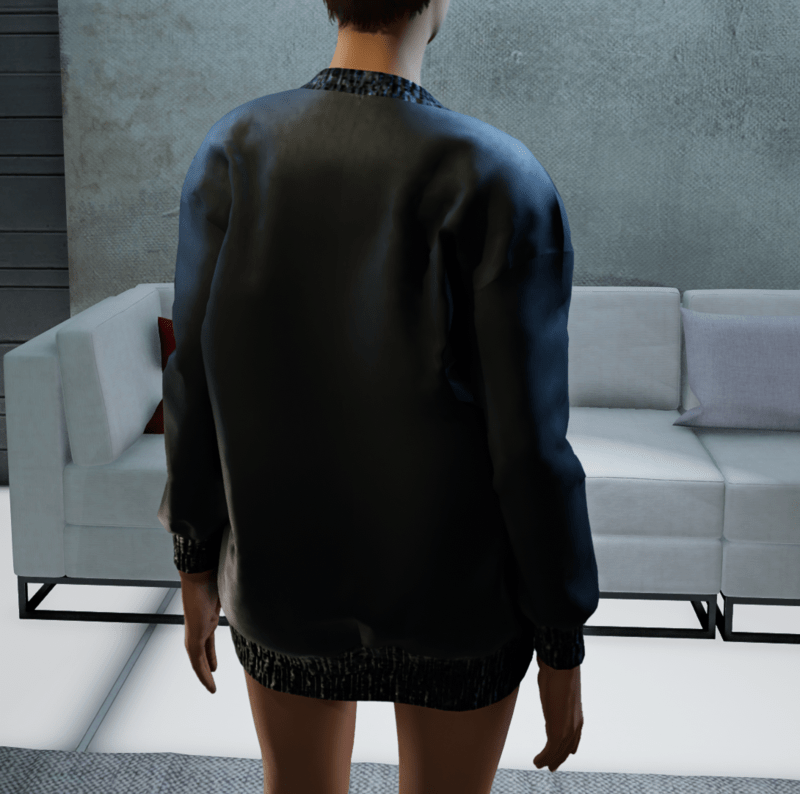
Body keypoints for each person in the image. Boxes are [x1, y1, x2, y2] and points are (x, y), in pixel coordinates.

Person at [162, 1, 599, 792]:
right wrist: (560, 641)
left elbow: (194, 379)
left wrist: (195, 564)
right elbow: (529, 445)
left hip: (282, 588)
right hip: (460, 607)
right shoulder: (502, 177)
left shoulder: (234, 151)